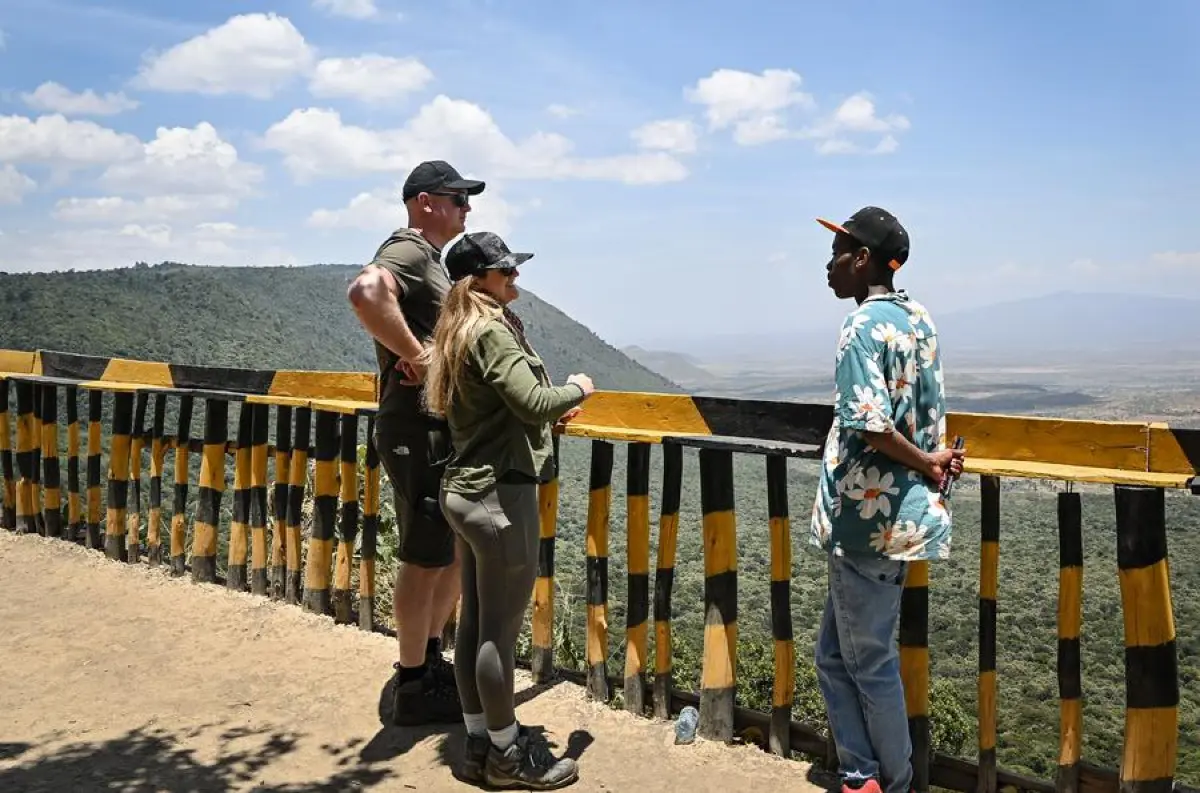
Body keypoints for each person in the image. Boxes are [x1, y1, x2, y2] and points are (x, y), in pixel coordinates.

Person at [420, 230, 592, 789]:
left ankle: (478, 744)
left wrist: (538, 416)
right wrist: (578, 388)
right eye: (506, 271)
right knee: (499, 632)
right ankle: (508, 757)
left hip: (464, 491)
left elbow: (499, 409)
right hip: (500, 496)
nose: (515, 277)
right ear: (480, 281)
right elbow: (533, 400)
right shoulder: (490, 330)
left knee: (473, 626)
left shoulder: (455, 330)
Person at [809, 207, 965, 793]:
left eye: (838, 254)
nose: (829, 266)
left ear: (863, 259)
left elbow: (871, 424)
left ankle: (887, 784)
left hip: (865, 521)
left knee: (869, 662)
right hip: (902, 518)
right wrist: (929, 461)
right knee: (835, 656)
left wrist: (925, 461)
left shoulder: (860, 328)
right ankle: (861, 774)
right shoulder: (918, 318)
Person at [347, 159, 485, 725]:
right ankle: (412, 683)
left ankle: (428, 664)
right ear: (425, 201)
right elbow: (365, 291)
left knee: (447, 549)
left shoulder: (430, 258)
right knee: (423, 555)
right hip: (414, 429)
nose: (466, 209)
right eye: (458, 199)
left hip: (435, 428)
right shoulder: (406, 249)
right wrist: (416, 355)